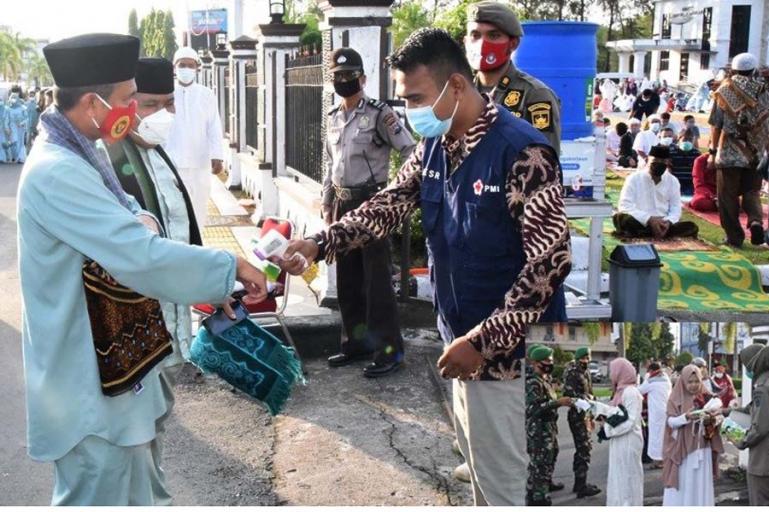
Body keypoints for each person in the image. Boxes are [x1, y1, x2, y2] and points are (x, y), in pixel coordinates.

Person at [278, 28, 571, 506]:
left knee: (504, 489)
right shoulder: (438, 144)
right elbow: (389, 203)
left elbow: (550, 263)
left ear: (455, 86)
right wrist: (319, 242)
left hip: (508, 355)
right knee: (480, 475)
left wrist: (483, 342)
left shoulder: (523, 153)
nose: (411, 110)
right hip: (461, 340)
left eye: (416, 98)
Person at [18, 33, 268, 506]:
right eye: (128, 98)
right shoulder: (58, 170)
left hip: (113, 365)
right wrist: (229, 266)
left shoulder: (83, 151)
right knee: (99, 493)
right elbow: (140, 255)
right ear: (92, 103)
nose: (134, 110)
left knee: (136, 491)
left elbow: (134, 215)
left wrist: (142, 221)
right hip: (86, 376)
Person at [321, 47, 415, 378]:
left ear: (362, 79)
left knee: (377, 282)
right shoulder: (333, 116)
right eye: (338, 76)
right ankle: (355, 344)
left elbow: (410, 150)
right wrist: (327, 202)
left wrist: (396, 193)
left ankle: (389, 352)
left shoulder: (379, 114)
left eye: (349, 76)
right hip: (342, 203)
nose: (344, 81)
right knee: (348, 280)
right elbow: (330, 164)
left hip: (371, 204)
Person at [107, 57, 202, 367]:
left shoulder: (157, 151)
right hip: (136, 325)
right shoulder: (108, 158)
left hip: (175, 315)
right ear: (127, 105)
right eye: (150, 104)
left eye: (169, 103)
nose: (163, 113)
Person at [466, 1, 562, 155]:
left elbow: (544, 161)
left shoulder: (536, 95)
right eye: (475, 35)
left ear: (513, 44)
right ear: (465, 42)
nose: (482, 43)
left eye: (493, 35)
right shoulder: (461, 93)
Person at [708, 52, 769, 248]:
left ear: (733, 70)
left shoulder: (724, 90)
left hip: (729, 152)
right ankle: (756, 221)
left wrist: (712, 152)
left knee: (727, 197)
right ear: (753, 70)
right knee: (751, 191)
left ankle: (734, 238)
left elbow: (716, 124)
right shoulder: (763, 91)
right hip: (755, 152)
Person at [165, 46, 225, 229]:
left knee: (199, 209)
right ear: (174, 67)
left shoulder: (206, 94)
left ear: (197, 68)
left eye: (190, 65)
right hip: (172, 162)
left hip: (200, 163)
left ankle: (197, 243)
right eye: (182, 65)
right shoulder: (167, 94)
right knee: (175, 211)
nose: (186, 69)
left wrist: (217, 155)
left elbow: (214, 126)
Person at [662, 365, 724, 506]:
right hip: (684, 450)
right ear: (683, 381)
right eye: (690, 382)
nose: (694, 385)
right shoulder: (675, 398)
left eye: (697, 381)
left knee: (701, 483)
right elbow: (670, 422)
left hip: (703, 448)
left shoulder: (707, 397)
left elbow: (719, 417)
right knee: (685, 482)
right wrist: (686, 417)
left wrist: (712, 419)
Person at [613, 144, 699, 239]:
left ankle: (652, 231)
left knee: (691, 226)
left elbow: (676, 208)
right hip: (641, 221)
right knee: (621, 218)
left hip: (663, 222)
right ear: (647, 160)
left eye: (663, 162)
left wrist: (668, 222)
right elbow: (625, 206)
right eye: (655, 161)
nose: (659, 164)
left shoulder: (673, 181)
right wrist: (649, 219)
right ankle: (654, 232)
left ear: (668, 163)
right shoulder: (634, 178)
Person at [526, 345, 575, 506]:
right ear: (536, 362)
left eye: (551, 360)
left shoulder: (545, 380)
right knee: (540, 462)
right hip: (538, 429)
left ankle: (546, 483)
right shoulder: (533, 382)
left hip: (548, 428)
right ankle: (538, 496)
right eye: (547, 361)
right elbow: (533, 409)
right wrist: (557, 403)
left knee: (551, 455)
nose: (550, 363)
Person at [601, 358, 644, 506]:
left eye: (613, 371)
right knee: (619, 478)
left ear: (620, 372)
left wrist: (608, 429)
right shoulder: (621, 391)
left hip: (628, 441)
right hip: (621, 440)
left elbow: (630, 421)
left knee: (627, 479)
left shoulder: (630, 392)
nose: (611, 375)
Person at [562, 347, 602, 498]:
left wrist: (593, 410)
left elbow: (589, 391)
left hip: (586, 415)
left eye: (588, 358)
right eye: (584, 358)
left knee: (584, 448)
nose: (586, 361)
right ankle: (581, 486)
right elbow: (569, 395)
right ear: (578, 358)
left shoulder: (585, 372)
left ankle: (579, 483)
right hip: (577, 416)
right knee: (583, 449)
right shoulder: (572, 372)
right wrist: (587, 400)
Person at [735, 344, 769, 505]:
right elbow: (752, 409)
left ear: (752, 365)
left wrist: (741, 441)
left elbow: (760, 427)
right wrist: (725, 411)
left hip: (762, 463)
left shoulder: (762, 388)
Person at [638, 362, 672, 466]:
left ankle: (658, 461)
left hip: (656, 413)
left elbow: (639, 391)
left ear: (652, 371)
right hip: (666, 410)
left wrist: (645, 379)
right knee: (663, 435)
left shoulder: (651, 381)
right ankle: (663, 459)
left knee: (656, 436)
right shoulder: (666, 378)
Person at [4, 92, 28, 163]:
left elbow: (27, 118)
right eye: (12, 97)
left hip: (20, 128)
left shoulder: (23, 108)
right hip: (12, 128)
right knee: (14, 142)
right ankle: (15, 156)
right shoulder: (8, 109)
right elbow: (6, 119)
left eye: (15, 97)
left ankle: (21, 158)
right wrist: (7, 128)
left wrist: (21, 123)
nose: (13, 99)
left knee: (20, 143)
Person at [0, 98, 7, 164]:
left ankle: (2, 158)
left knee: (1, 143)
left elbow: (6, 119)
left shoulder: (5, 109)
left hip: (2, 129)